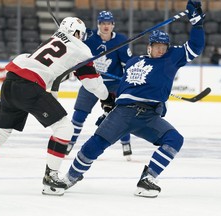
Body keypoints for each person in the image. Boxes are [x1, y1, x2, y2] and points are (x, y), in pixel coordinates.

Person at [60, 0, 206, 198]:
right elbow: (123, 89)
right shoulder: (133, 62)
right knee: (96, 144)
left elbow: (195, 47)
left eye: (164, 46)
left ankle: (148, 179)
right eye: (157, 46)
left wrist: (197, 23)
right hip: (123, 112)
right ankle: (70, 177)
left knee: (174, 139)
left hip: (148, 117)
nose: (161, 50)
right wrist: (111, 111)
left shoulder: (171, 58)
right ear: (149, 47)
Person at [0, 17, 114, 196]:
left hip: (10, 80)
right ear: (78, 33)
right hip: (29, 86)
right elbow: (92, 83)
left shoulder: (51, 39)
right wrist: (106, 98)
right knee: (64, 128)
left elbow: (52, 71)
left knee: (0, 132)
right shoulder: (81, 49)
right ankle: (51, 179)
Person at [67, 11, 134, 160]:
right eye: (103, 23)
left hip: (113, 84)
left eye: (108, 23)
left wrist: (126, 83)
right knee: (79, 114)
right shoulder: (89, 38)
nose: (106, 26)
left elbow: (128, 66)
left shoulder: (121, 41)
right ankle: (69, 143)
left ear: (113, 25)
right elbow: (76, 46)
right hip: (92, 81)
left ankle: (126, 143)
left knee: (122, 114)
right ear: (98, 24)